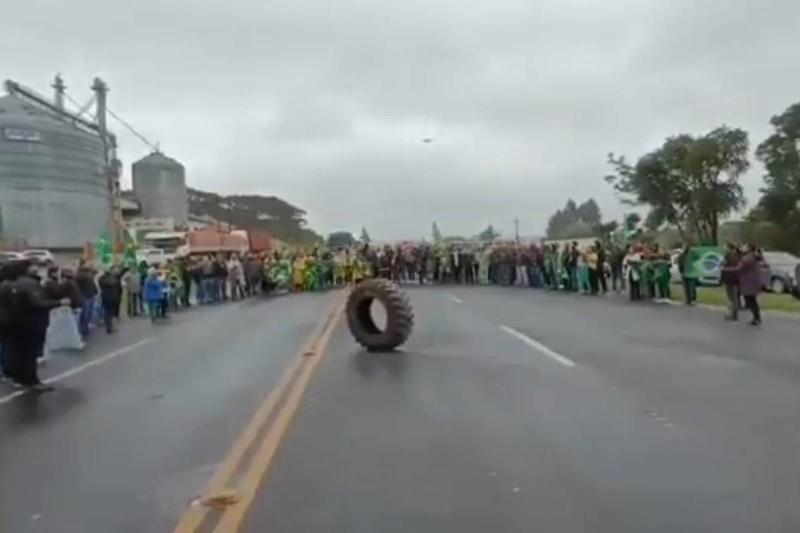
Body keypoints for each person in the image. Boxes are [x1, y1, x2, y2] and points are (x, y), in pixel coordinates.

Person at [6, 260, 64, 391]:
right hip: (31, 324)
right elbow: (37, 303)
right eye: (34, 266)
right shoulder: (29, 284)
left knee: (19, 352)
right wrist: (59, 303)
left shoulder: (14, 283)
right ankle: (31, 380)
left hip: (17, 323)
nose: (38, 268)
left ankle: (19, 378)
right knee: (29, 354)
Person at [728, 244, 762, 326]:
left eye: (745, 247)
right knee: (752, 300)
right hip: (752, 281)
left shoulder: (747, 258)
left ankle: (757, 318)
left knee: (750, 301)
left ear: (749, 249)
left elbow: (738, 268)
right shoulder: (752, 256)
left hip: (749, 282)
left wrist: (726, 269)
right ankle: (757, 318)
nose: (742, 247)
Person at [75, 262, 98, 339]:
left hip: (91, 295)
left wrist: (95, 292)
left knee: (89, 313)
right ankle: (83, 330)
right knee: (85, 315)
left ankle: (86, 328)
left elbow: (95, 273)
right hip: (85, 296)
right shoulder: (80, 274)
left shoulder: (89, 273)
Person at [720, 242, 741, 320]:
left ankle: (733, 314)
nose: (724, 248)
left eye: (725, 246)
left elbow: (725, 265)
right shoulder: (735, 255)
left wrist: (723, 266)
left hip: (729, 278)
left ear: (729, 248)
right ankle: (733, 314)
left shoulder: (729, 255)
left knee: (731, 297)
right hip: (733, 278)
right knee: (733, 297)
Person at [97, 268, 122, 333]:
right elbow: (116, 285)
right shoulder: (114, 279)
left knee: (107, 313)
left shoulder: (101, 279)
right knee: (111, 313)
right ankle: (111, 328)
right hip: (113, 298)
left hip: (105, 297)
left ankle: (109, 327)